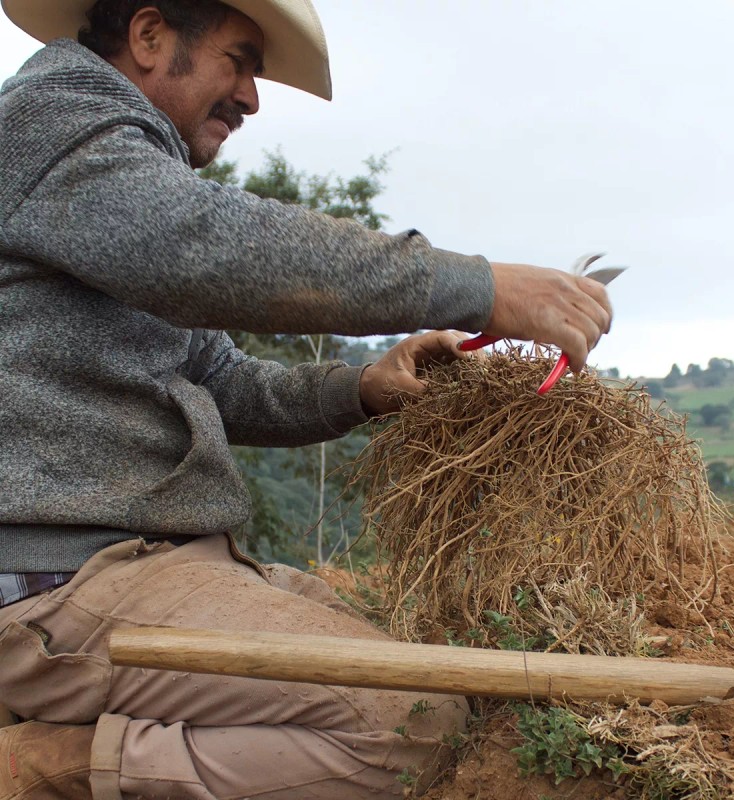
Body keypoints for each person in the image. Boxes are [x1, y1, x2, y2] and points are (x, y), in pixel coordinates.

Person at [0, 0, 613, 797]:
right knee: (410, 721)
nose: (253, 98)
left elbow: (218, 381)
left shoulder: (119, 195)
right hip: (62, 588)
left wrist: (360, 388)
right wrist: (478, 287)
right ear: (150, 36)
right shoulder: (57, 125)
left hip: (140, 569)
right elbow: (207, 246)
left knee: (403, 666)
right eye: (241, 58)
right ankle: (38, 767)